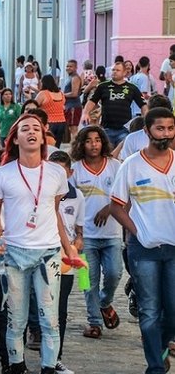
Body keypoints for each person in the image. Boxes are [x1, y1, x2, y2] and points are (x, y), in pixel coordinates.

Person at [0, 114, 83, 374]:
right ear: (15, 139)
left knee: (49, 320)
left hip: (48, 254)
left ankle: (49, 368)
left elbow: (55, 212)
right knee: (15, 321)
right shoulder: (1, 174)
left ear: (43, 138)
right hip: (14, 254)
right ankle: (17, 368)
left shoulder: (55, 173)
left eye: (36, 129)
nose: (31, 132)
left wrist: (68, 246)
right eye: (24, 129)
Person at [109, 107, 175, 374]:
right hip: (143, 248)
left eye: (170, 128)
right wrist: (138, 232)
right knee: (148, 309)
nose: (166, 134)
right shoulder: (131, 165)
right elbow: (116, 206)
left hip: (174, 247)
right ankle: (155, 367)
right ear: (146, 131)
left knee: (172, 309)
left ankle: (160, 345)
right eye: (160, 128)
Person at [68, 126, 123, 340]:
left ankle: (105, 302)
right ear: (81, 144)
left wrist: (109, 208)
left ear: (103, 143)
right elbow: (68, 202)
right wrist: (74, 232)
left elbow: (124, 195)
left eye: (97, 140)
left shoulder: (115, 166)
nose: (94, 144)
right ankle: (94, 322)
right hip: (84, 236)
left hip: (112, 233)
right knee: (86, 280)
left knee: (114, 273)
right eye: (89, 140)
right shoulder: (75, 170)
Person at [48, 150, 85, 374]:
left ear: (70, 173)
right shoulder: (41, 193)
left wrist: (78, 242)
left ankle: (55, 358)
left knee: (60, 310)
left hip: (66, 259)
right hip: (43, 254)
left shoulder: (77, 196)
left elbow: (79, 230)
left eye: (63, 172)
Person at [81, 62, 147, 147]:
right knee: (107, 154)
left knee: (122, 155)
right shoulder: (103, 86)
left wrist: (146, 120)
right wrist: (85, 113)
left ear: (124, 73)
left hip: (124, 129)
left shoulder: (132, 88)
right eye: (113, 70)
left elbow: (143, 105)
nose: (114, 72)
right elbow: (92, 101)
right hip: (106, 128)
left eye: (118, 70)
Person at [36, 75, 67, 146]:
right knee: (57, 146)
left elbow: (34, 105)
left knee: (47, 146)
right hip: (61, 122)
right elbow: (63, 105)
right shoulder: (61, 94)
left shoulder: (43, 93)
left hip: (49, 122)